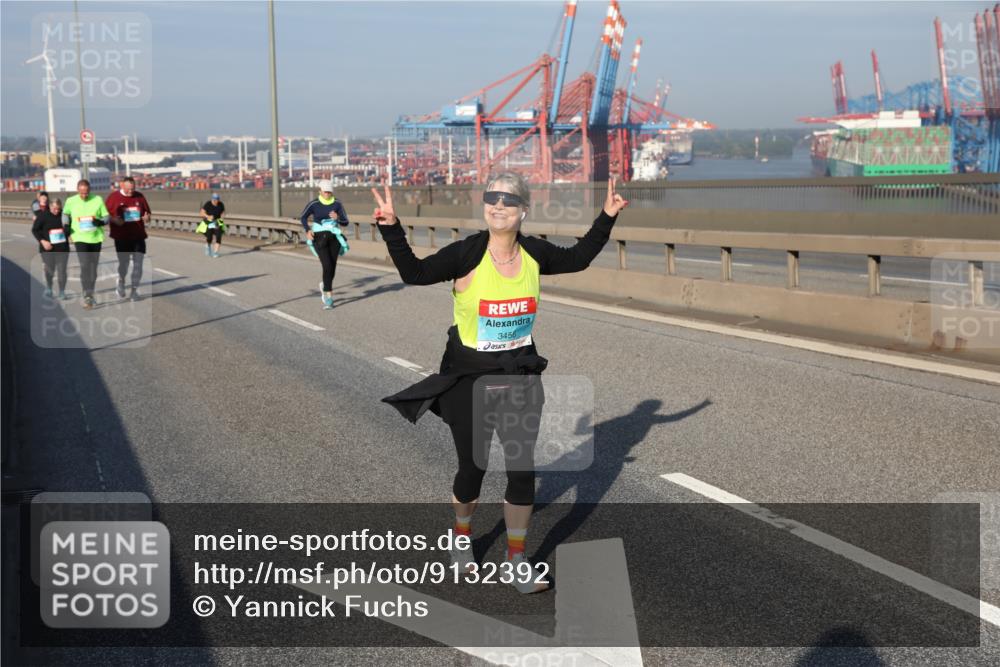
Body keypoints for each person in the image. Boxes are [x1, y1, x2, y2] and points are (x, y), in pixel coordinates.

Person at [372, 173, 628, 594]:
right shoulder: (466, 254)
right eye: (492, 198)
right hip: (469, 382)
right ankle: (460, 537)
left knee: (522, 471)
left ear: (523, 209)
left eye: (509, 200)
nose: (498, 205)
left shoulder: (533, 253)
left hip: (520, 378)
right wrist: (392, 228)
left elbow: (579, 257)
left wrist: (607, 215)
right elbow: (415, 273)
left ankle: (515, 559)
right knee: (473, 469)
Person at [299, 180, 350, 310]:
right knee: (326, 265)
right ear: (320, 191)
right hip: (319, 238)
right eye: (325, 191)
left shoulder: (337, 203)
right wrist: (307, 230)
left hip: (334, 239)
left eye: (329, 191)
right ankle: (328, 296)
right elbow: (303, 217)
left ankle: (325, 285)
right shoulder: (314, 204)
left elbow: (345, 222)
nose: (327, 194)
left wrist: (337, 218)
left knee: (332, 267)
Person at [62, 179, 110, 310]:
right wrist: (66, 225)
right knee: (85, 265)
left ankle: (91, 292)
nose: (84, 195)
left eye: (86, 192)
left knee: (93, 269)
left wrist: (99, 222)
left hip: (95, 238)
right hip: (79, 237)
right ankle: (87, 296)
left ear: (90, 190)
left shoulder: (97, 199)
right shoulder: (71, 201)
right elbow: (65, 213)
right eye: (82, 193)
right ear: (78, 190)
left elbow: (107, 217)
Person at [105, 176, 152, 301]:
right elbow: (104, 215)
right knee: (124, 264)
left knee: (138, 265)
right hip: (121, 237)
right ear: (122, 186)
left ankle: (134, 291)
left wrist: (147, 218)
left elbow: (147, 214)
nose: (131, 192)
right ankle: (121, 281)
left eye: (133, 189)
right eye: (128, 189)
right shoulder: (113, 198)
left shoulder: (139, 196)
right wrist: (114, 219)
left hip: (138, 235)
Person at [31, 197, 70, 299]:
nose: (56, 211)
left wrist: (68, 230)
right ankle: (49, 288)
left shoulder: (64, 215)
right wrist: (43, 241)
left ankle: (62, 291)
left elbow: (70, 229)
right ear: (50, 207)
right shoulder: (43, 216)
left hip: (62, 248)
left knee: (62, 270)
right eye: (54, 209)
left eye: (58, 208)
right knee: (49, 270)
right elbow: (35, 230)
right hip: (47, 248)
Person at [199, 193, 226, 257]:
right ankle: (208, 246)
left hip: (218, 222)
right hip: (210, 222)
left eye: (217, 199)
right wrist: (208, 216)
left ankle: (215, 252)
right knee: (209, 237)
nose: (217, 201)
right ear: (213, 199)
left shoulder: (221, 204)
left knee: (219, 237)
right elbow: (201, 213)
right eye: (215, 200)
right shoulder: (208, 204)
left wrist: (221, 220)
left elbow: (223, 212)